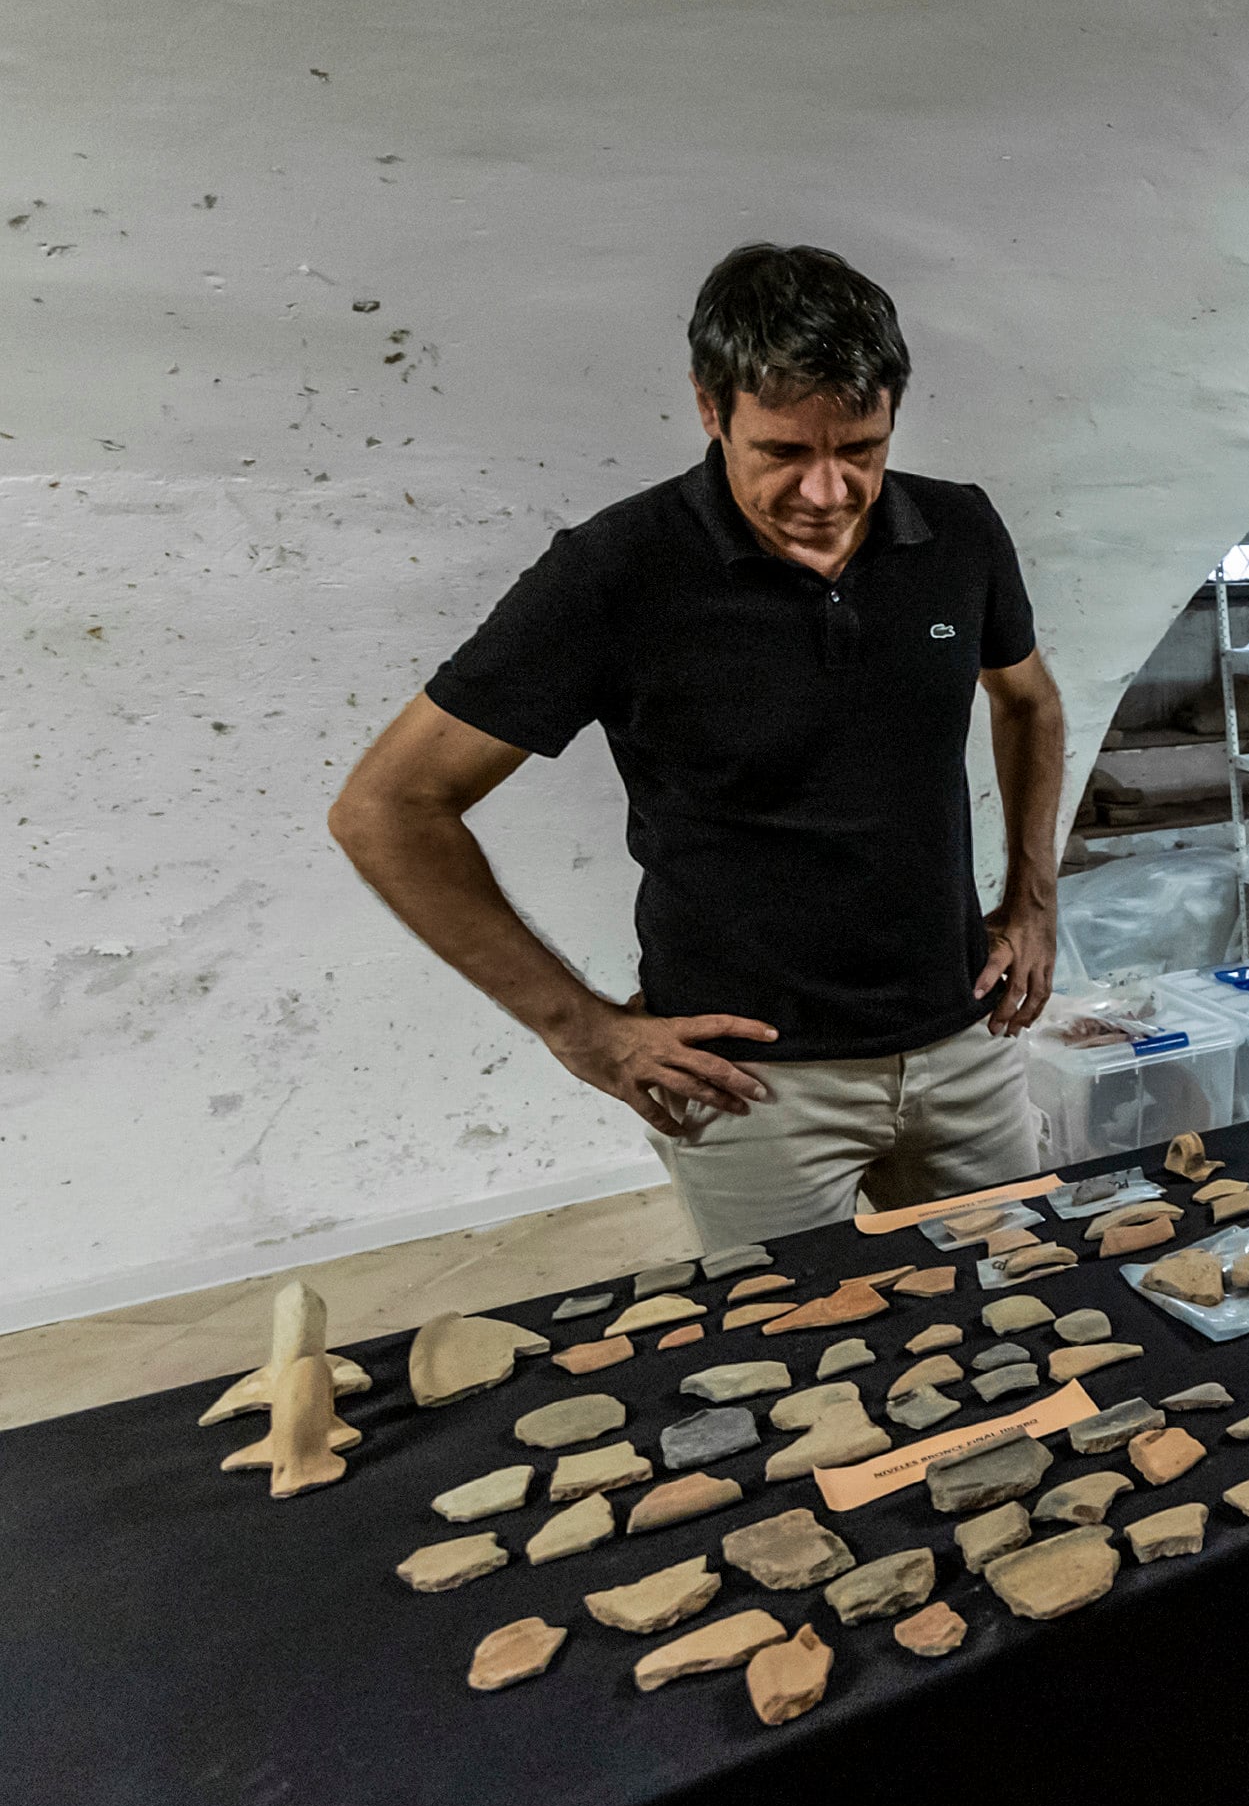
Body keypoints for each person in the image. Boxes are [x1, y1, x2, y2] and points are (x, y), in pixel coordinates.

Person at [329, 243, 1065, 1246]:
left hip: (963, 1045)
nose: (826, 492)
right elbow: (386, 807)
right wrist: (581, 1029)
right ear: (710, 408)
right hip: (754, 1083)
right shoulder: (615, 571)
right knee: (805, 1373)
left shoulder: (959, 531)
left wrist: (1032, 901)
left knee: (1025, 1325)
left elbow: (1027, 702)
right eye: (782, 452)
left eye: (860, 449)